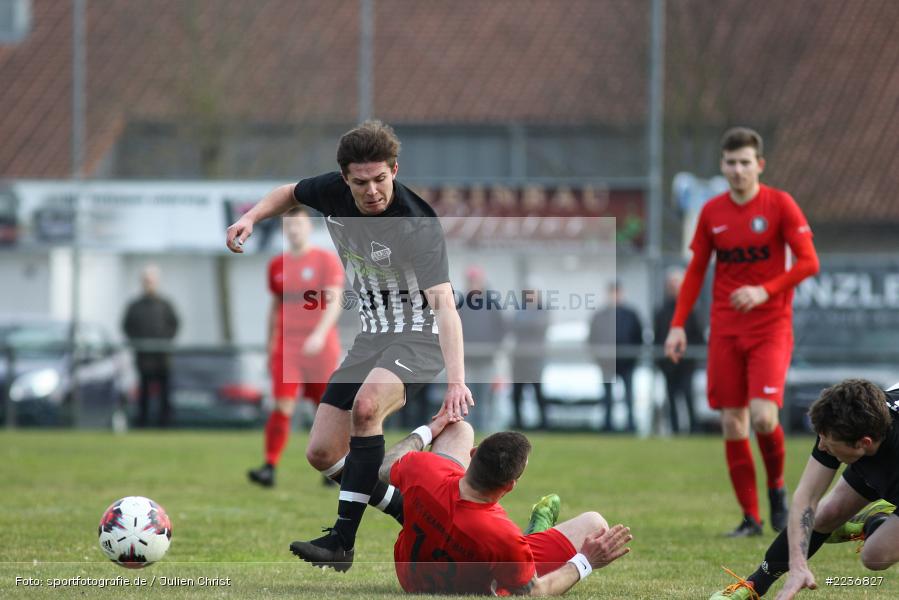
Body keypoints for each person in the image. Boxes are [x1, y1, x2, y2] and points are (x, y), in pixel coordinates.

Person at [225, 120, 473, 571]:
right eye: (361, 182)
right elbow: (288, 192)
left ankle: (342, 542)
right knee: (322, 452)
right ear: (345, 178)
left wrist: (457, 381)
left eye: (381, 178)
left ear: (395, 170)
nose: (373, 190)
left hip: (419, 336)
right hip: (371, 338)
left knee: (366, 407)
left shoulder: (417, 223)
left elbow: (445, 307)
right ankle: (409, 511)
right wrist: (250, 217)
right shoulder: (333, 194)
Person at [664, 127, 820, 536]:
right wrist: (678, 325)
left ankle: (778, 492)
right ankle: (750, 518)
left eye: (745, 162)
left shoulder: (780, 204)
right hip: (726, 331)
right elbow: (696, 271)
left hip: (770, 327)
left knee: (764, 418)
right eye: (731, 163)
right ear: (722, 165)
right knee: (733, 424)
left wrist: (764, 290)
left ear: (759, 165)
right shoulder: (712, 213)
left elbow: (808, 263)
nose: (737, 170)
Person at [379, 415, 633, 595]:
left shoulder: (425, 469)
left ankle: (538, 530)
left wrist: (428, 430)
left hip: (409, 578)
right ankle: (539, 528)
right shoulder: (505, 537)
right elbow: (534, 591)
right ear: (510, 486)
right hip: (491, 564)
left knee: (458, 428)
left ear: (473, 453)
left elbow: (384, 467)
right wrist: (586, 561)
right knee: (595, 523)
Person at [708, 379, 899, 600]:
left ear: (863, 443)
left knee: (875, 556)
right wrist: (797, 567)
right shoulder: (843, 419)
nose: (821, 447)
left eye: (828, 443)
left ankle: (879, 520)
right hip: (882, 453)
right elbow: (806, 498)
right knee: (825, 515)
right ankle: (754, 586)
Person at [247, 207, 344, 488]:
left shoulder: (325, 261)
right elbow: (275, 307)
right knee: (282, 404)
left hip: (320, 346)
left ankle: (333, 467)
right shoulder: (277, 265)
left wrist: (320, 334)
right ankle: (269, 466)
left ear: (308, 228)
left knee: (324, 409)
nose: (293, 230)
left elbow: (335, 301)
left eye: (298, 224)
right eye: (288, 225)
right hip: (287, 345)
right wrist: (270, 345)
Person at [122, 264, 180, 428]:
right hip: (144, 357)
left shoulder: (165, 305)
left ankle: (165, 424)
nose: (149, 284)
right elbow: (127, 326)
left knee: (165, 393)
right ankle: (143, 424)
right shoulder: (135, 306)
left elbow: (174, 325)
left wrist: (164, 341)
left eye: (152, 280)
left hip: (163, 357)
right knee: (144, 393)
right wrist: (139, 342)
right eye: (146, 280)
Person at [588, 281, 644, 433]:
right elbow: (593, 338)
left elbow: (638, 338)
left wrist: (633, 358)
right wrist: (600, 359)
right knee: (607, 397)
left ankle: (630, 425)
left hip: (627, 363)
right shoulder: (599, 315)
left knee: (629, 396)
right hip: (607, 363)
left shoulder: (631, 314)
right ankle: (607, 425)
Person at [653, 267, 703, 434]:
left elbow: (698, 337)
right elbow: (657, 337)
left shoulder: (693, 310)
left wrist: (688, 355)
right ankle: (675, 430)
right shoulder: (661, 312)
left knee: (688, 395)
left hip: (686, 363)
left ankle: (693, 429)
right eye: (671, 284)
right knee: (672, 397)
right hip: (668, 364)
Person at [458, 265, 506, 431]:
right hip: (467, 362)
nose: (473, 284)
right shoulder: (461, 303)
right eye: (470, 280)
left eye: (475, 280)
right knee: (467, 401)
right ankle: (467, 433)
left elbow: (501, 329)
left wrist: (493, 348)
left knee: (485, 400)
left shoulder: (491, 304)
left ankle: (484, 433)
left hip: (486, 360)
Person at [509, 287, 550, 430]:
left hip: (535, 360)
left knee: (538, 392)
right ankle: (518, 422)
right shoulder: (520, 311)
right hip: (520, 359)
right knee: (517, 394)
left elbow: (537, 326)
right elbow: (514, 326)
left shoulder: (543, 311)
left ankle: (543, 423)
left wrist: (525, 323)